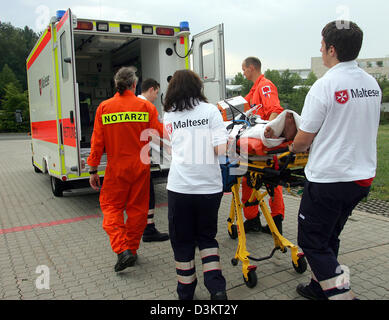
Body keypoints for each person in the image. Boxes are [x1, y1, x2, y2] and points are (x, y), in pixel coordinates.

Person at [290, 21, 381, 300]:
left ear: (331, 49)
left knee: (311, 241)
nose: (319, 48)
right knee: (328, 237)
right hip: (361, 177)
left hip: (330, 178)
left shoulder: (325, 85)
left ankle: (342, 294)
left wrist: (293, 147)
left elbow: (304, 140)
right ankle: (319, 286)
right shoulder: (371, 83)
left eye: (321, 44)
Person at [87, 67, 164, 272]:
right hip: (141, 167)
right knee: (138, 211)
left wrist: (93, 169)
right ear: (134, 84)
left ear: (117, 84)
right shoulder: (145, 106)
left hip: (116, 169)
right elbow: (160, 133)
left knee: (111, 208)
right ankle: (131, 249)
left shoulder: (104, 107)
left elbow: (97, 142)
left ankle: (123, 251)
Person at [163, 69, 228, 300]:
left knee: (182, 242)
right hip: (209, 188)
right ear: (197, 88)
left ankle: (186, 293)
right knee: (207, 239)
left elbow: (170, 148)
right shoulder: (211, 111)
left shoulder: (169, 115)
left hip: (180, 188)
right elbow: (222, 149)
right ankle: (217, 289)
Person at [241, 57, 285, 234]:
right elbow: (242, 106)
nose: (243, 72)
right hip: (255, 145)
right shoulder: (254, 89)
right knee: (247, 180)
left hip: (264, 144)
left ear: (251, 68)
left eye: (244, 69)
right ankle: (252, 219)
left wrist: (267, 132)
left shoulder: (265, 86)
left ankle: (276, 221)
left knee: (271, 182)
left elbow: (275, 109)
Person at [138, 78, 169, 242]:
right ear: (151, 89)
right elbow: (157, 132)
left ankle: (143, 229)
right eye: (156, 93)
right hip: (140, 161)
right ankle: (148, 230)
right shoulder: (147, 107)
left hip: (124, 159)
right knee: (148, 195)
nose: (156, 96)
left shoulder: (131, 104)